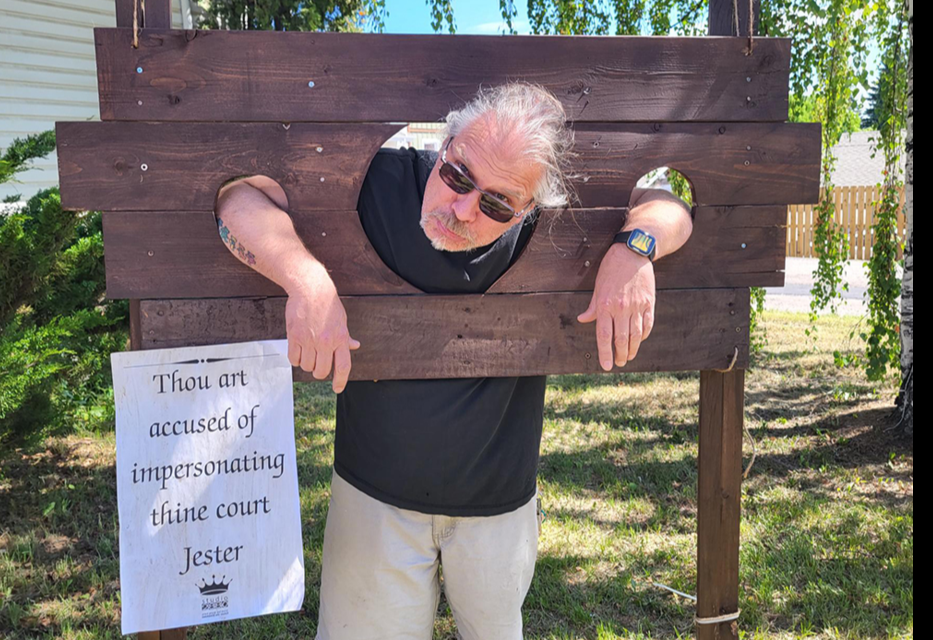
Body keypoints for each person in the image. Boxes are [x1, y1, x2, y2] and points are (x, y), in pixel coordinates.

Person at [213, 81, 693, 640]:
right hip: (373, 496)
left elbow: (676, 199)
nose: (462, 209)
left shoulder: (549, 226)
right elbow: (234, 195)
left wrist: (633, 249)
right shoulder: (378, 183)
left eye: (494, 203)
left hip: (500, 504)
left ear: (526, 212)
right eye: (457, 176)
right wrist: (306, 278)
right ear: (444, 144)